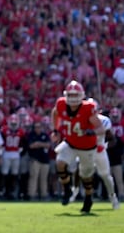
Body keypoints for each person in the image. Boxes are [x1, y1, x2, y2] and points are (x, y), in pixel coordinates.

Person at [51, 80, 104, 214]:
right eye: (71, 95)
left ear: (81, 96)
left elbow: (101, 128)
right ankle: (67, 189)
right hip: (70, 142)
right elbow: (55, 113)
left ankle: (88, 198)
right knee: (60, 163)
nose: (73, 98)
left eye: (76, 95)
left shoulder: (88, 108)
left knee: (86, 176)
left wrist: (91, 132)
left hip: (87, 146)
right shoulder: (61, 104)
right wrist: (55, 130)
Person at [87, 100, 120, 210]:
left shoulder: (104, 121)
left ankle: (113, 197)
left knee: (105, 175)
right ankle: (81, 194)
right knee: (82, 173)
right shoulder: (82, 120)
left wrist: (105, 145)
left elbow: (112, 140)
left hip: (99, 150)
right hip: (86, 151)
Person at [0, 114, 25, 200]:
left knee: (14, 174)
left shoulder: (21, 131)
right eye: (12, 123)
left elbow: (23, 143)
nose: (14, 125)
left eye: (15, 123)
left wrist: (20, 151)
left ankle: (12, 191)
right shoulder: (4, 130)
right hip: (6, 153)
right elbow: (1, 142)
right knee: (4, 173)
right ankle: (3, 190)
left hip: (16, 153)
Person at [25, 120, 51, 201]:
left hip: (45, 160)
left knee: (44, 179)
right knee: (33, 177)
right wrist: (41, 144)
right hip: (35, 159)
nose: (38, 128)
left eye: (39, 127)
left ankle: (43, 194)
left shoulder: (45, 135)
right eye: (36, 127)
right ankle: (32, 195)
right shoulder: (31, 135)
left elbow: (48, 145)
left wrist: (38, 144)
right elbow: (31, 146)